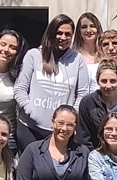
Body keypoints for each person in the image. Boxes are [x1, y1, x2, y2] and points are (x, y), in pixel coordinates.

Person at [14, 14, 91, 151]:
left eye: (68, 34)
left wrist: (71, 117)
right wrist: (31, 111)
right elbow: (20, 89)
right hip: (30, 129)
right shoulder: (34, 55)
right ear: (51, 33)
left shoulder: (77, 60)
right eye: (59, 33)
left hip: (61, 131)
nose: (63, 37)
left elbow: (83, 93)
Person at [76, 61, 117, 150]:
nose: (108, 85)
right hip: (94, 152)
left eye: (113, 81)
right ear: (97, 81)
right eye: (104, 81)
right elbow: (83, 137)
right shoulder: (88, 103)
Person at [73, 11, 103, 81]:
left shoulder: (105, 55)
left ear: (98, 29)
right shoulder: (73, 56)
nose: (88, 30)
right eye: (84, 27)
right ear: (79, 32)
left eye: (93, 26)